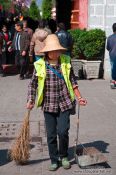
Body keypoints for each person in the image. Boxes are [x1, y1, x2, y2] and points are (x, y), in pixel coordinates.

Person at [26, 34, 87, 170]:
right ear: (47, 51)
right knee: (51, 135)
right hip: (48, 104)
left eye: (58, 50)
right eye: (53, 51)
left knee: (63, 131)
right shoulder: (40, 65)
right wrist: (30, 100)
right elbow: (32, 85)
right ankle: (54, 160)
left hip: (65, 102)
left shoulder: (66, 61)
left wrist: (79, 97)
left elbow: (72, 81)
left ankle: (64, 156)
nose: (56, 53)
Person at [107, 23, 116, 89]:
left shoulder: (109, 38)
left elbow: (108, 47)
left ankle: (113, 82)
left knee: (113, 69)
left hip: (112, 56)